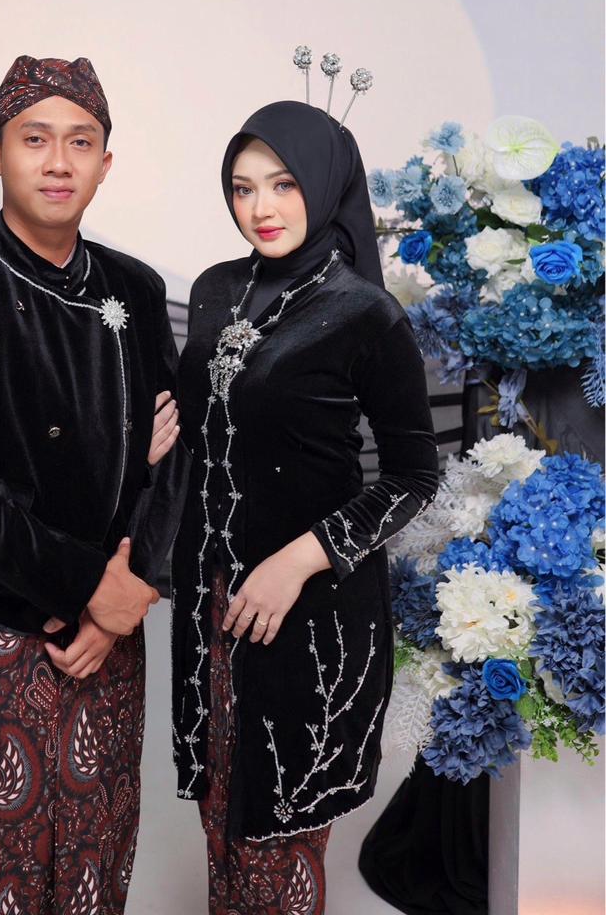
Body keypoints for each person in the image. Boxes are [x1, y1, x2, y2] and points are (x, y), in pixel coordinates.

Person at [0, 55, 184, 915]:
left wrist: (135, 587)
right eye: (35, 140)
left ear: (106, 163)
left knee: (95, 851)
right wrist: (94, 586)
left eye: (80, 143)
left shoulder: (134, 289)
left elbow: (179, 455)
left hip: (113, 628)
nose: (58, 162)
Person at [171, 99, 440, 914]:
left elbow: (413, 475)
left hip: (311, 613)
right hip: (213, 606)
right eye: (242, 187)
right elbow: (203, 430)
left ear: (323, 186)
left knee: (278, 838)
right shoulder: (216, 290)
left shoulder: (365, 312)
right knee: (223, 823)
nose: (261, 207)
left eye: (283, 184)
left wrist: (297, 560)